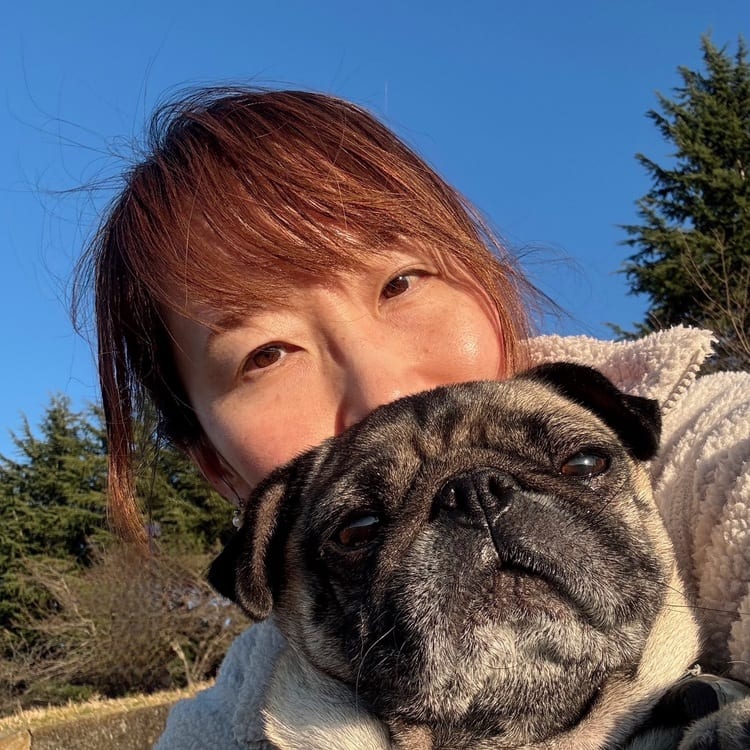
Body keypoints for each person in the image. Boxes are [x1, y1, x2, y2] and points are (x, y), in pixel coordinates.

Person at [76, 87, 750, 749]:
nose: (383, 387)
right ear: (218, 467)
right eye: (267, 354)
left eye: (400, 283)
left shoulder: (706, 448)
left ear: (487, 279)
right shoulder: (230, 717)